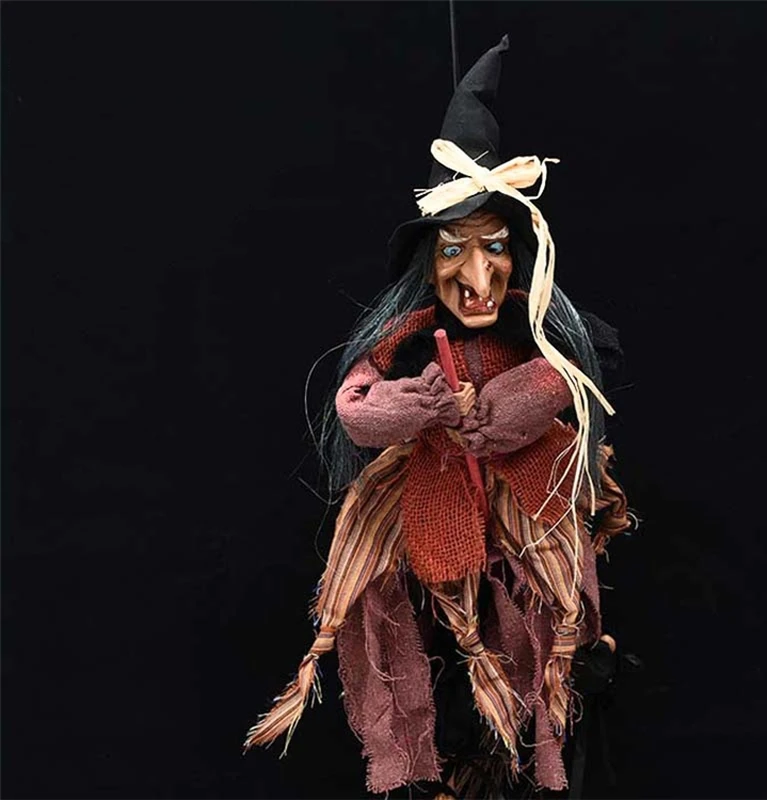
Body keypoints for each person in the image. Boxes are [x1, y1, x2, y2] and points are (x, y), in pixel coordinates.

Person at [244, 36, 631, 798]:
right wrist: (413, 405)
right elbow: (355, 405)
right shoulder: (410, 337)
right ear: (429, 261)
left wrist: (522, 401)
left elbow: (584, 366)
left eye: (494, 249)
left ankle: (551, 718)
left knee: (549, 631)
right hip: (436, 509)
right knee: (448, 651)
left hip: (529, 506)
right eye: (456, 251)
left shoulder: (537, 329)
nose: (477, 276)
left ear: (518, 255)